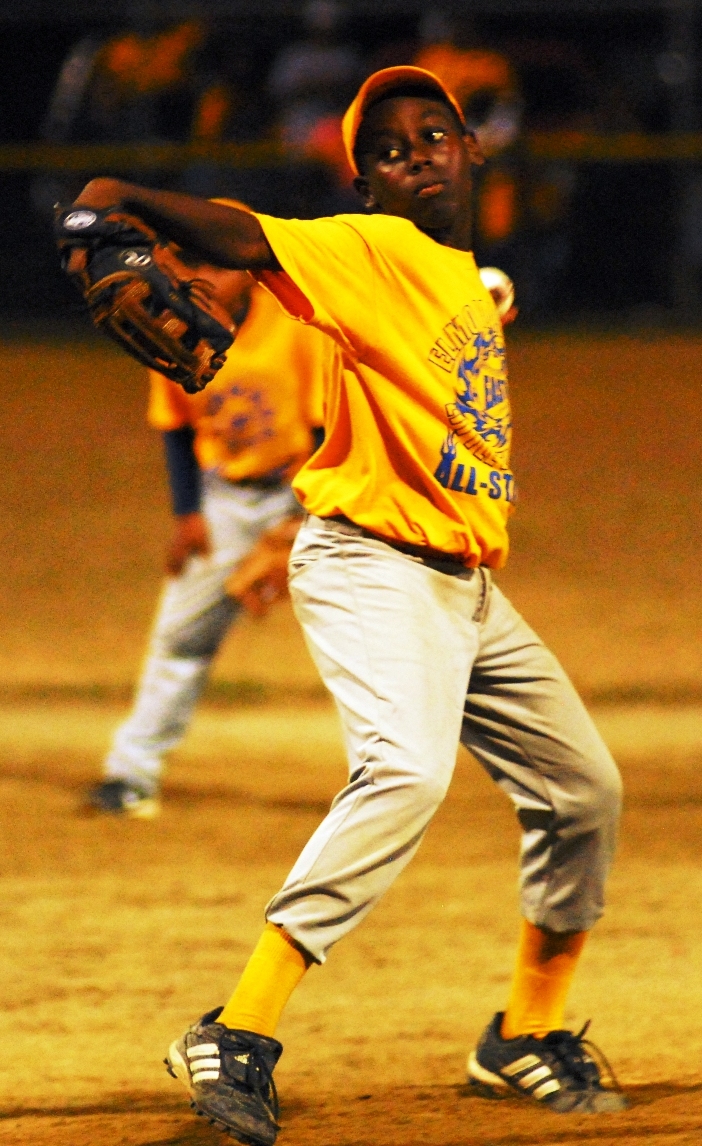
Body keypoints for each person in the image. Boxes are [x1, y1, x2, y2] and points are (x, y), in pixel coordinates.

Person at [70, 65, 626, 1145]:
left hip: (467, 590)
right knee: (406, 771)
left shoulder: (462, 279)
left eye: (434, 134)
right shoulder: (366, 247)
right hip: (371, 565)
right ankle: (237, 1028)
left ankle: (524, 1033)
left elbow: (460, 311)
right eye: (386, 147)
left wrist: (489, 295)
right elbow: (236, 236)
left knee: (585, 793)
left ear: (473, 149)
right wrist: (118, 194)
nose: (413, 152)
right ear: (365, 178)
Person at [87, 218, 331, 818]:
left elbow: (331, 430)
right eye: (189, 264)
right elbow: (174, 428)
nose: (203, 277)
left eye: (218, 264)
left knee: (358, 635)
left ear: (251, 270)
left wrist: (300, 521)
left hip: (307, 494)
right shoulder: (167, 325)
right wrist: (187, 515)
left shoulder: (298, 327)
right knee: (180, 636)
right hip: (222, 498)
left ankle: (392, 784)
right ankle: (131, 773)